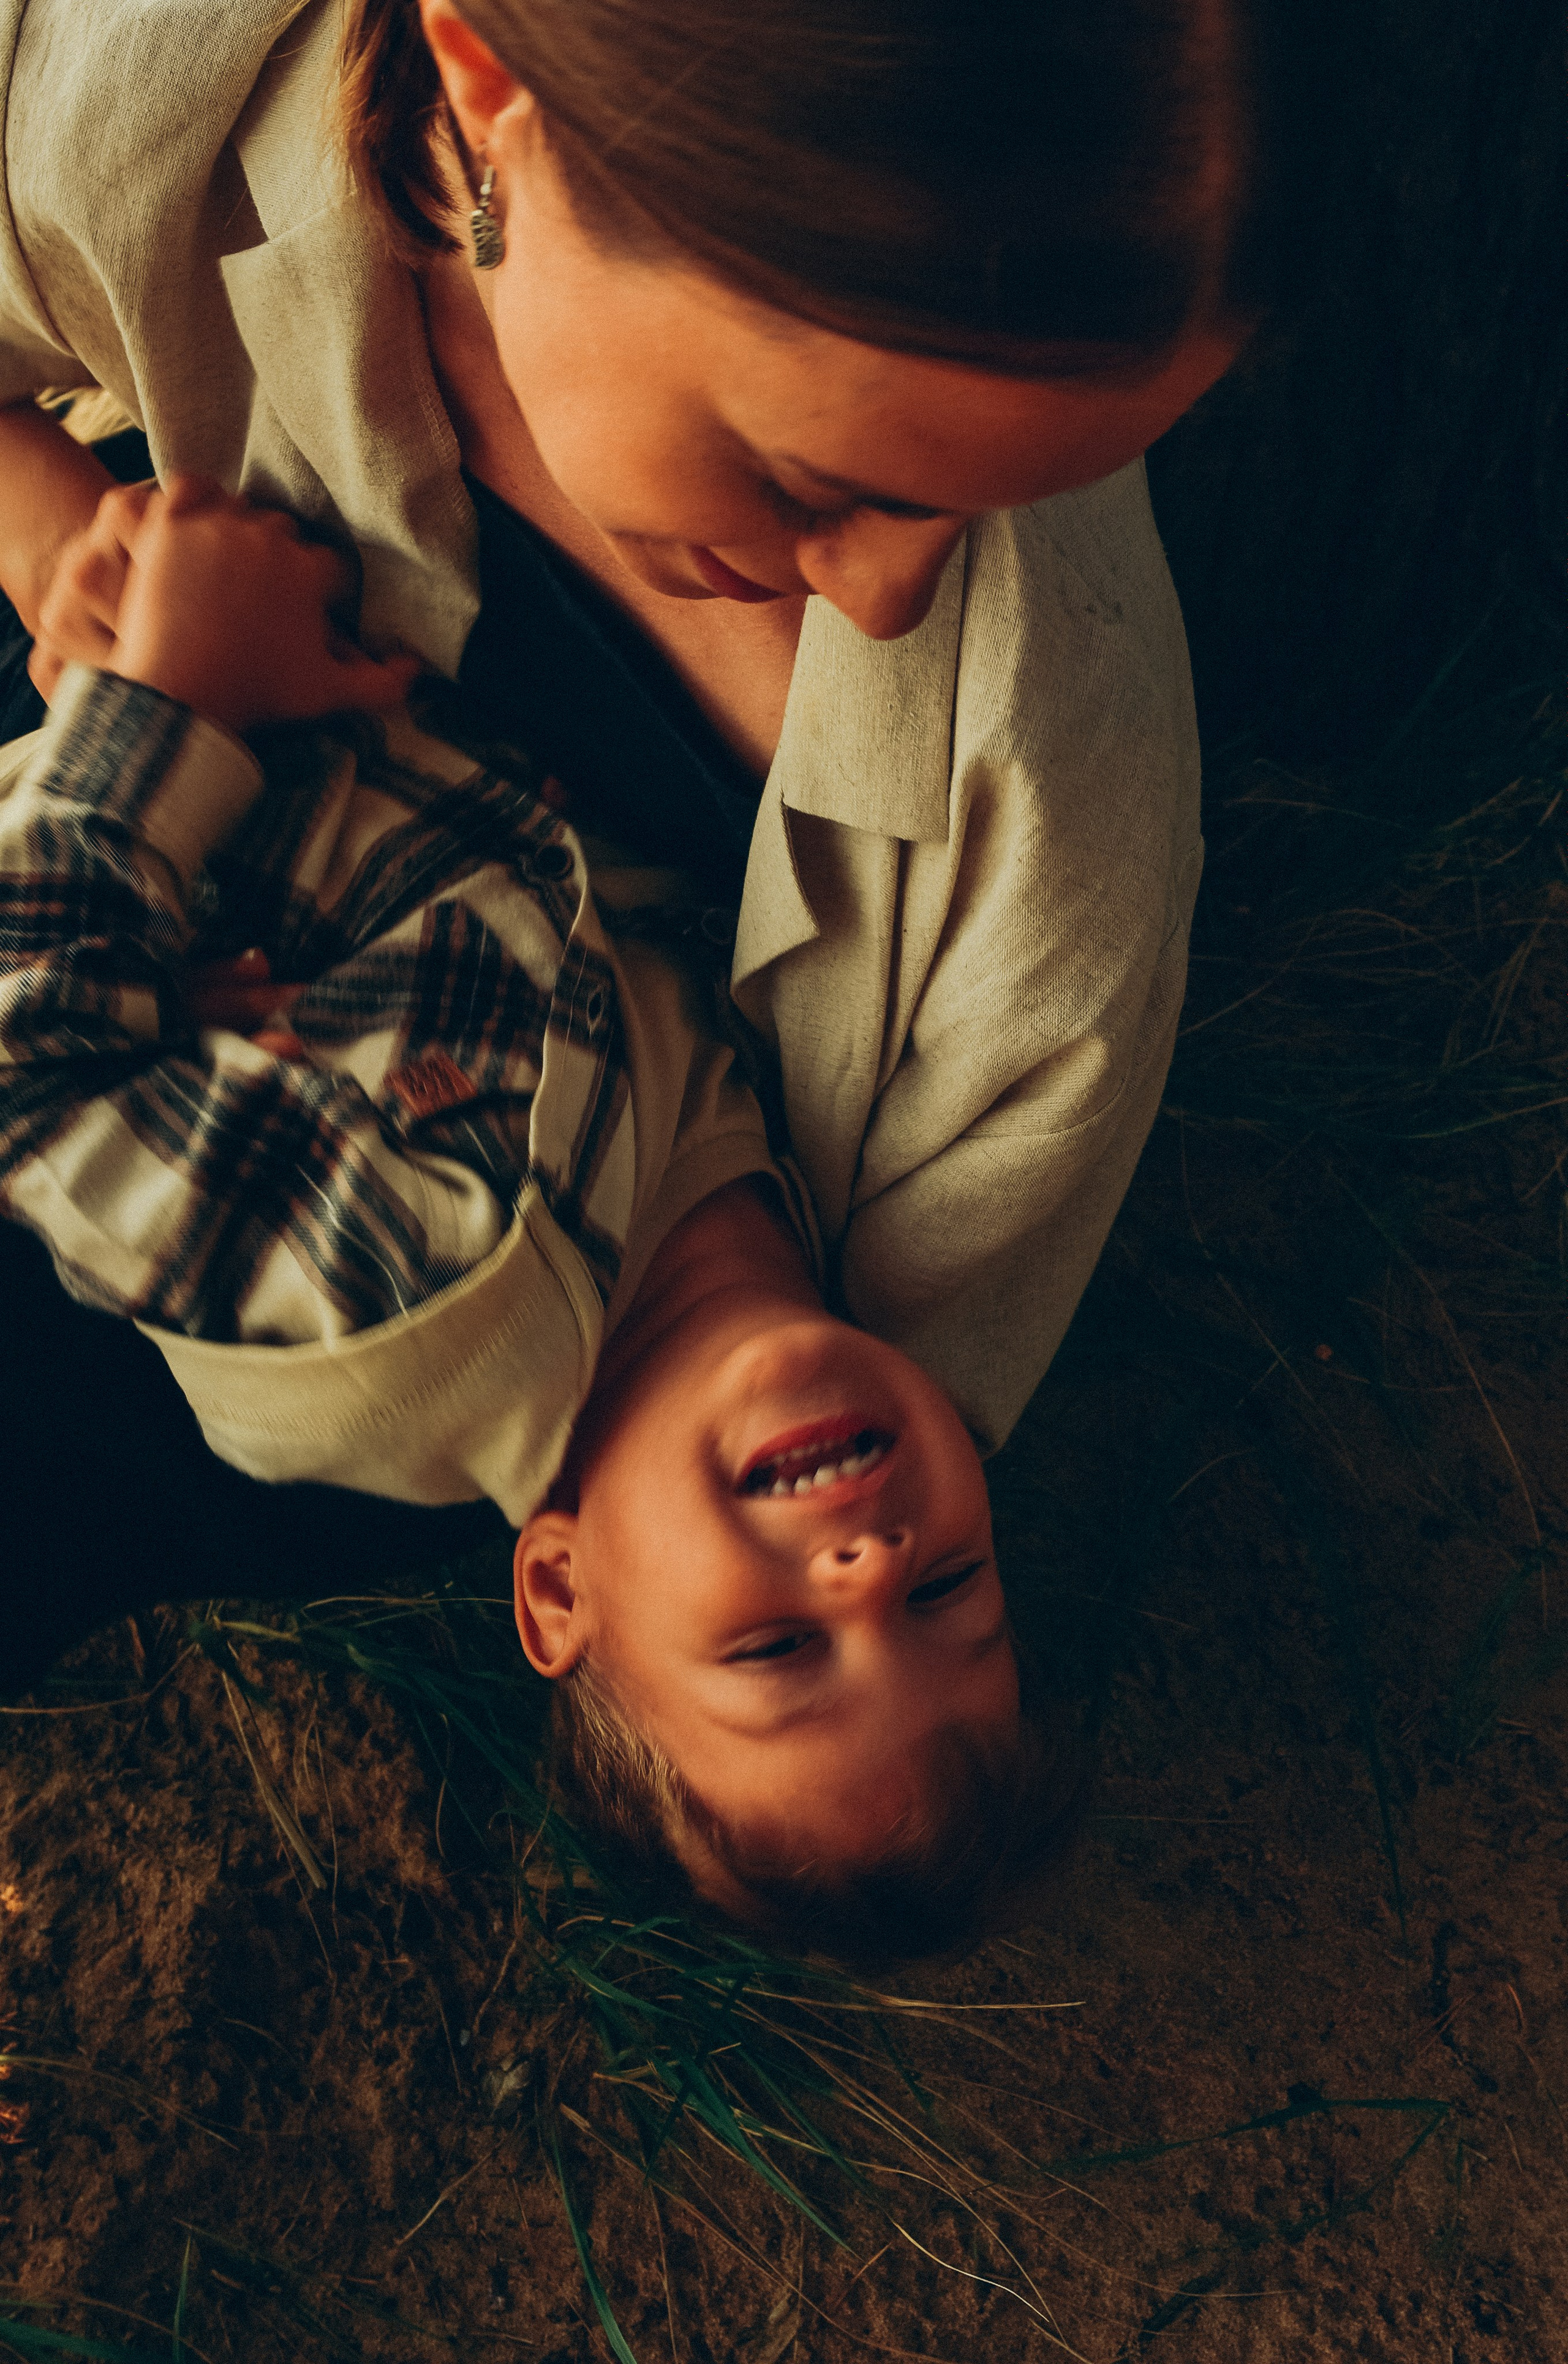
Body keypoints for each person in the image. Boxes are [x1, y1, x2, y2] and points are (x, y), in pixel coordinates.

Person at [0, 2, 1321, 1675]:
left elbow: (892, 1359)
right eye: (809, 478)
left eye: (989, 497)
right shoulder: (174, 77)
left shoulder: (1040, 891)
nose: (893, 593)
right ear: (489, 90)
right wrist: (75, 560)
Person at [0, 475, 1063, 1960]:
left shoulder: (406, 1306)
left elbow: (33, 1080)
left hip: (195, 663)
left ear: (558, 1585)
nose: (869, 1568)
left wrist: (163, 697)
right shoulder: (821, 1157)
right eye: (951, 1584)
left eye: (775, 1650)